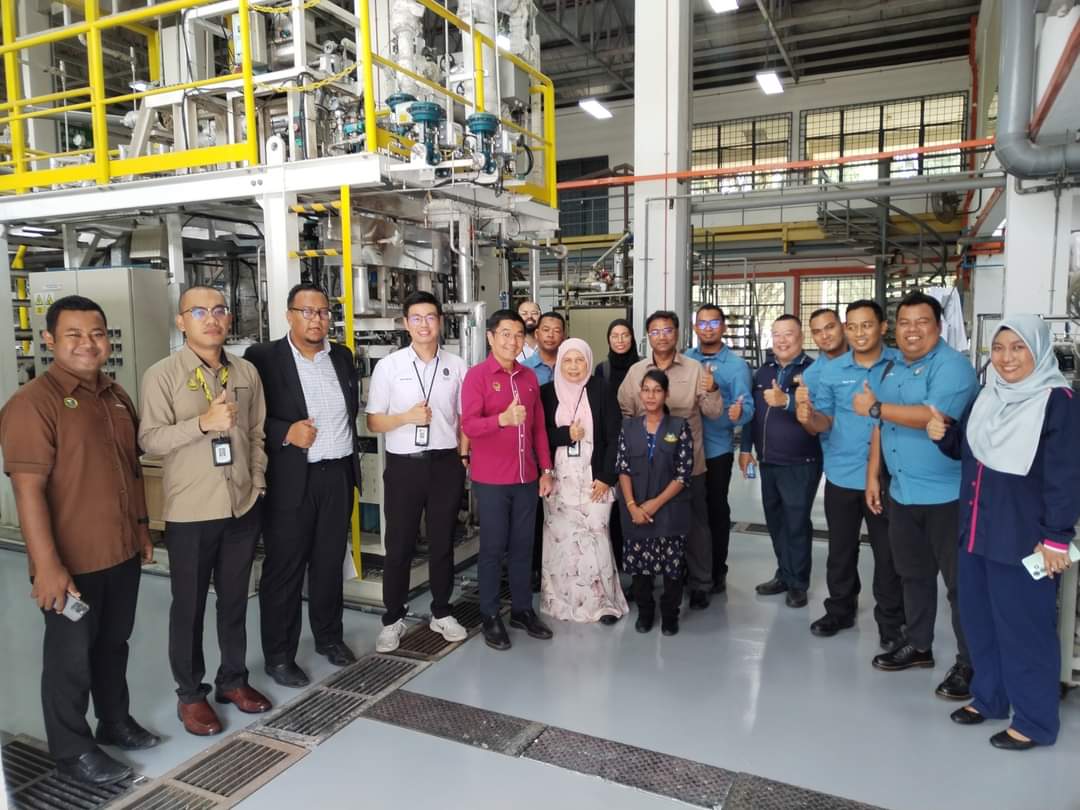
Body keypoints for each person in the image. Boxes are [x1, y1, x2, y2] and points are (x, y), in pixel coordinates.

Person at [0, 296, 159, 785]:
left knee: (114, 644)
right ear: (49, 340)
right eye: (73, 334)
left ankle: (114, 721)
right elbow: (28, 491)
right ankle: (72, 751)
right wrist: (47, 566)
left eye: (96, 334)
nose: (87, 344)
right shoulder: (32, 405)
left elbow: (130, 471)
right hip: (70, 562)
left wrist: (141, 528)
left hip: (120, 550)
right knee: (70, 659)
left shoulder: (115, 395)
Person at [930, 316, 1080, 750]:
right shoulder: (987, 395)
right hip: (977, 531)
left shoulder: (1058, 402)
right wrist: (944, 435)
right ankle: (990, 697)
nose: (1006, 358)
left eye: (1018, 348)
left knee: (1025, 629)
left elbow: (1066, 475)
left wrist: (1056, 537)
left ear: (1040, 351)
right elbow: (969, 450)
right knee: (980, 623)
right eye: (999, 348)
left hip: (1024, 540)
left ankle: (1035, 721)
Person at [140, 286, 272, 736]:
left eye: (219, 310)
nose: (211, 319)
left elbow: (256, 434)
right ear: (181, 322)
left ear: (229, 319)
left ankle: (232, 680)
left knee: (235, 600)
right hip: (191, 510)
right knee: (190, 606)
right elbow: (150, 439)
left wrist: (256, 482)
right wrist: (202, 423)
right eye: (199, 312)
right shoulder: (162, 375)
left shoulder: (246, 372)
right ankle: (191, 694)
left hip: (241, 506)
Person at [862, 291, 979, 700]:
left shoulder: (954, 367)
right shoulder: (890, 367)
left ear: (939, 326)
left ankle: (970, 663)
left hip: (948, 496)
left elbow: (934, 416)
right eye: (905, 322)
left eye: (922, 321)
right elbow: (882, 427)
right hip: (903, 491)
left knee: (960, 585)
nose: (912, 330)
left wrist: (877, 408)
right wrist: (873, 476)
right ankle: (919, 645)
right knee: (913, 574)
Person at [244, 284, 360, 687]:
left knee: (329, 563)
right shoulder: (263, 358)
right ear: (289, 315)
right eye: (307, 312)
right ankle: (279, 656)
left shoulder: (342, 356)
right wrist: (285, 432)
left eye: (324, 312)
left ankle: (329, 637)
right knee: (285, 568)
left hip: (338, 475)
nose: (317, 320)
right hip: (293, 479)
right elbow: (248, 416)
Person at [365, 291, 470, 652]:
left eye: (430, 317)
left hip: (445, 464)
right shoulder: (389, 366)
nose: (424, 324)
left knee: (443, 542)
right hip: (404, 466)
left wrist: (463, 456)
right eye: (416, 318)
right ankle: (393, 618)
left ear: (440, 321)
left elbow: (464, 418)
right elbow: (374, 422)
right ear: (406, 324)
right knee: (399, 545)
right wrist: (405, 418)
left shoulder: (457, 365)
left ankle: (442, 611)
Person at [796, 300, 904, 645]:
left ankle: (891, 621)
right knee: (841, 550)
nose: (859, 333)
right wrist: (808, 418)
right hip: (843, 473)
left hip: (888, 476)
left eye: (867, 325)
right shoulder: (832, 371)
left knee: (888, 553)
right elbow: (824, 421)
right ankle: (840, 609)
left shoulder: (900, 365)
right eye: (853, 326)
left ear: (882, 327)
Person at [461, 309, 555, 650]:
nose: (512, 341)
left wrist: (546, 470)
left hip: (527, 478)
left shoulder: (529, 377)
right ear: (490, 337)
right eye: (505, 334)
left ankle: (521, 610)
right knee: (492, 548)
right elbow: (469, 425)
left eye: (517, 334)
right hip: (492, 481)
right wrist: (501, 419)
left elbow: (538, 428)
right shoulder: (477, 377)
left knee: (522, 547)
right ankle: (489, 615)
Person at [617, 311, 723, 610]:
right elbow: (626, 413)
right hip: (645, 468)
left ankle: (700, 583)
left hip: (687, 467)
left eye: (667, 330)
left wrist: (713, 389)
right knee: (645, 524)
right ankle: (645, 581)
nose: (661, 336)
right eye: (655, 331)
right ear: (647, 336)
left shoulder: (695, 369)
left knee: (695, 526)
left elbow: (714, 413)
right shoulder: (636, 372)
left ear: (677, 333)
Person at [539, 338, 628, 623]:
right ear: (559, 363)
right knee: (561, 541)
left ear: (588, 362)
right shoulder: (547, 392)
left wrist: (607, 477)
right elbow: (539, 435)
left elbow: (615, 437)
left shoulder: (602, 389)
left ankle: (602, 603)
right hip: (558, 479)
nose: (574, 366)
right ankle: (561, 602)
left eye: (579, 360)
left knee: (596, 536)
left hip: (594, 478)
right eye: (567, 360)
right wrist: (566, 434)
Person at [739, 315, 822, 609]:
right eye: (776, 335)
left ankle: (798, 583)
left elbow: (821, 412)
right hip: (768, 461)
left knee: (796, 523)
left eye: (788, 334)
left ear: (801, 337)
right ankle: (784, 574)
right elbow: (751, 413)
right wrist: (745, 449)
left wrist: (786, 400)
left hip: (801, 462)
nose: (782, 340)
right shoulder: (763, 372)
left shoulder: (813, 371)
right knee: (775, 522)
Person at [616, 370, 694, 636]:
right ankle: (646, 612)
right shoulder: (628, 428)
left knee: (672, 568)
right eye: (646, 390)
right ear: (640, 393)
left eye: (657, 390)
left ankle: (670, 614)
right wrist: (632, 506)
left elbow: (683, 474)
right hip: (635, 510)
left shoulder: (679, 426)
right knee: (640, 567)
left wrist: (654, 504)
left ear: (666, 394)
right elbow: (623, 469)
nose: (651, 395)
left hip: (669, 509)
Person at [684, 304, 753, 594]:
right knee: (689, 511)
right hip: (686, 450)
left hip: (716, 451)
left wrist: (738, 414)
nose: (708, 328)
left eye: (714, 323)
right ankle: (691, 568)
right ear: (695, 327)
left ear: (723, 327)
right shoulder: (686, 359)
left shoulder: (736, 366)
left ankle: (715, 571)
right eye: (702, 323)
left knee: (715, 512)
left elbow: (747, 407)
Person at [522, 311, 565, 386]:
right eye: (546, 330)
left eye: (556, 331)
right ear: (536, 334)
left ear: (563, 337)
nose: (550, 335)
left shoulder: (570, 366)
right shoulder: (523, 368)